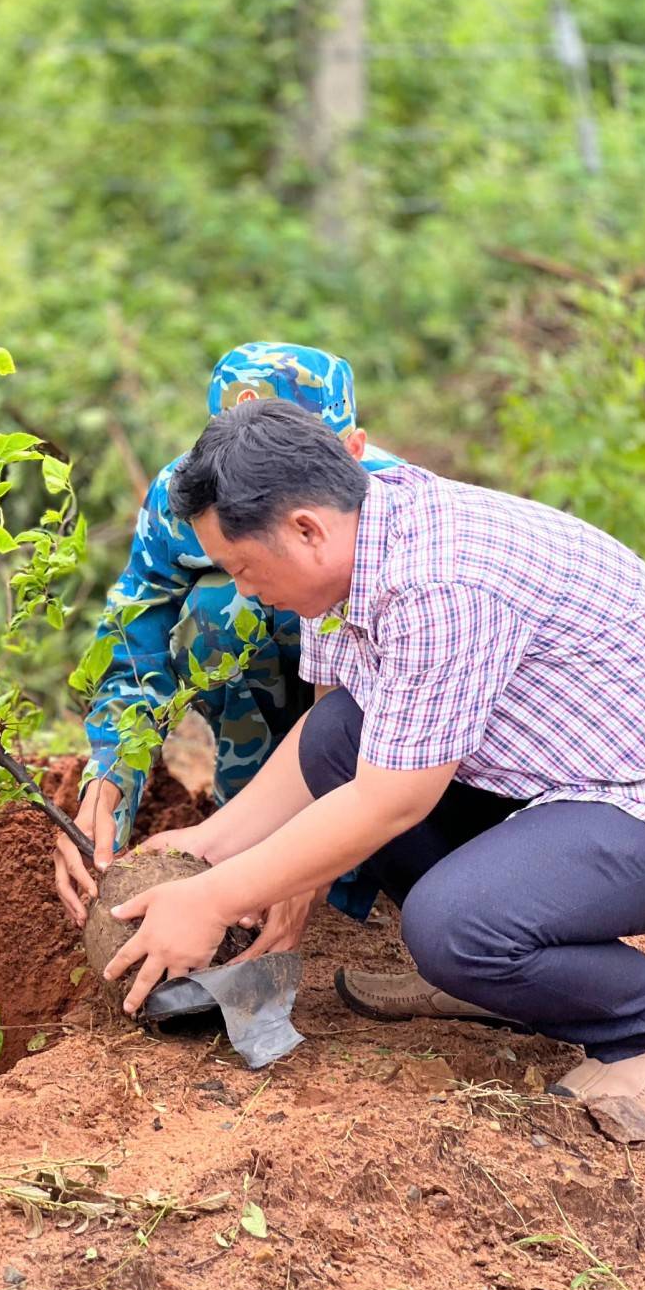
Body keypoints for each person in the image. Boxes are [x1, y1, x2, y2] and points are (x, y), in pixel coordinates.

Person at [103, 400, 645, 1117]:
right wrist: (212, 844)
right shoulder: (362, 535)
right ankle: (490, 977)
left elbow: (392, 801)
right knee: (342, 732)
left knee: (454, 927)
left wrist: (211, 899)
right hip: (563, 775)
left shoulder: (438, 583)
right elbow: (335, 731)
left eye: (241, 565)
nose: (241, 588)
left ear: (306, 529)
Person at [52, 341, 398, 926]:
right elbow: (137, 640)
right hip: (260, 693)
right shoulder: (181, 499)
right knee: (222, 611)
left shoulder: (396, 507)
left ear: (348, 452)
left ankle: (353, 868)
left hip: (378, 737)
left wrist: (319, 854)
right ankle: (240, 826)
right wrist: (112, 777)